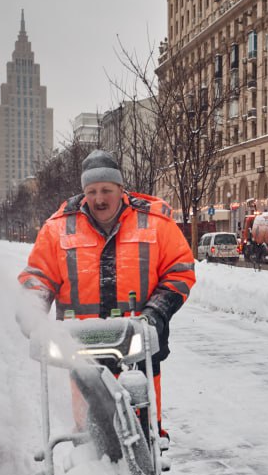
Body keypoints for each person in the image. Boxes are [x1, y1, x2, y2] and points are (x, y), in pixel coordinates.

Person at [18, 149, 196, 434]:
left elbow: (179, 270)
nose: (99, 199)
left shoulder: (155, 222)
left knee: (143, 424)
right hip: (80, 345)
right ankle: (91, 466)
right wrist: (32, 309)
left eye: (106, 190)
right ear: (83, 191)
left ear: (120, 188)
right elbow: (39, 276)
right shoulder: (57, 229)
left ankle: (148, 448)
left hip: (138, 340)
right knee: (89, 430)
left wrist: (157, 313)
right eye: (92, 191)